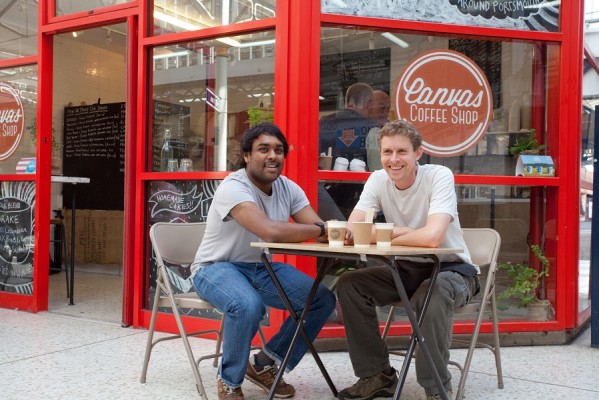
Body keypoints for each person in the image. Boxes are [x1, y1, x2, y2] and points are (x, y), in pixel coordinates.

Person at [336, 120, 480, 400]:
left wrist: (384, 235)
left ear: (418, 153)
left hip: (453, 271)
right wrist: (402, 233)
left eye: (401, 151)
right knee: (350, 284)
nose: (393, 160)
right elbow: (353, 231)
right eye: (387, 152)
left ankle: (436, 387)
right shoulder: (378, 179)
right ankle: (377, 375)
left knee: (432, 292)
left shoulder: (438, 176)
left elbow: (433, 238)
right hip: (404, 269)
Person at [190, 123, 336, 400]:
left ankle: (264, 363)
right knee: (247, 306)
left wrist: (344, 231)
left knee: (321, 299)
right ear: (246, 155)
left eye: (279, 150)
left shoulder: (288, 188)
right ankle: (229, 380)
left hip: (259, 267)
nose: (273, 156)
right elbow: (270, 230)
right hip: (214, 268)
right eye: (263, 149)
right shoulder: (233, 186)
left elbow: (316, 228)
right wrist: (323, 229)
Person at [319, 83, 377, 218]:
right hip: (361, 196)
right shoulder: (373, 127)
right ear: (369, 103)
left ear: (346, 101)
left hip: (327, 194)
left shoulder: (324, 123)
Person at [365, 90, 391, 171]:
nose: (385, 112)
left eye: (388, 109)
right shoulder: (358, 125)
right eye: (382, 108)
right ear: (369, 106)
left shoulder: (390, 130)